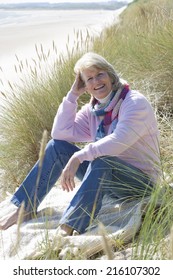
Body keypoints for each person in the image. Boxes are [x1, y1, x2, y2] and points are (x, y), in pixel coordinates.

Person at [0, 52, 161, 235]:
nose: (96, 82)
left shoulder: (134, 103)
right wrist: (72, 96)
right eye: (89, 79)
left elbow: (119, 141)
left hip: (141, 184)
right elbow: (60, 133)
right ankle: (26, 208)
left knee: (102, 160)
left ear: (111, 75)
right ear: (84, 85)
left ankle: (71, 224)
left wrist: (80, 155)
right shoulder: (93, 110)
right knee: (56, 147)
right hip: (108, 180)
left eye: (100, 74)